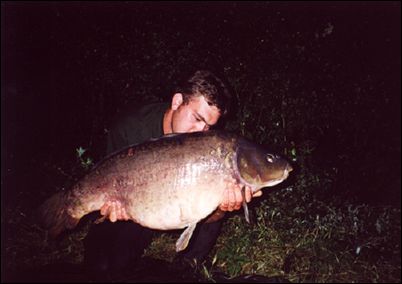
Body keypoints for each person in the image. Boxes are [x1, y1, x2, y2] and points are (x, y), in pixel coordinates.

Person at [83, 70, 262, 279]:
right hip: (139, 205)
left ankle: (187, 264)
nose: (200, 131)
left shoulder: (210, 145)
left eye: (208, 126)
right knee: (104, 265)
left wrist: (222, 208)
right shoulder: (130, 127)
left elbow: (205, 209)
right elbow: (106, 179)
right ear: (177, 101)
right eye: (197, 118)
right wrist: (114, 208)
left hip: (177, 206)